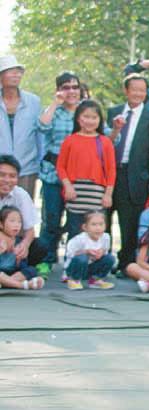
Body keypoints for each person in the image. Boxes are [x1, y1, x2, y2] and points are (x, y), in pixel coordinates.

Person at [107, 74, 149, 270]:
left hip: (134, 179)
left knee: (129, 224)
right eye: (134, 89)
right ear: (126, 90)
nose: (138, 94)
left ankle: (125, 263)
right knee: (101, 219)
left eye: (142, 90)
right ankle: (101, 262)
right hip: (108, 175)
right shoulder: (111, 113)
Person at [38, 72, 82, 266]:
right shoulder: (54, 111)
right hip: (53, 173)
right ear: (59, 90)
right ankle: (45, 260)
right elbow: (41, 126)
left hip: (79, 175)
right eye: (66, 87)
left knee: (76, 222)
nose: (71, 91)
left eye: (74, 87)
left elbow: (106, 137)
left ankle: (71, 264)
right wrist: (56, 103)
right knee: (51, 220)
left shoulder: (86, 111)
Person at [56, 100, 117, 239]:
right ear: (78, 119)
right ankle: (74, 260)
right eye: (86, 117)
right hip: (75, 192)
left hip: (96, 194)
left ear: (100, 120)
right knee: (75, 231)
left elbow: (111, 170)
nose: (90, 121)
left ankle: (98, 259)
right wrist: (67, 186)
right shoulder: (70, 140)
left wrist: (108, 194)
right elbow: (60, 166)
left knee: (96, 232)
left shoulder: (105, 141)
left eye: (94, 117)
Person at [0, 55, 41, 198]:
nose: (16, 75)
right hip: (0, 168)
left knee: (23, 211)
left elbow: (39, 134)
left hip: (26, 167)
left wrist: (39, 163)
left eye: (18, 71)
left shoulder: (33, 101)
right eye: (10, 71)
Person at [0, 155, 48, 269]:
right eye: (2, 175)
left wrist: (24, 245)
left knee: (40, 246)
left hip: (12, 242)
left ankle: (12, 270)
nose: (7, 180)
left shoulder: (20, 195)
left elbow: (30, 230)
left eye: (12, 176)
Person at [63, 210, 116, 290]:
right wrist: (86, 252)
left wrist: (101, 252)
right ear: (85, 227)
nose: (98, 228)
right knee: (83, 258)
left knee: (110, 258)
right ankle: (74, 280)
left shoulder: (106, 237)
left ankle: (96, 280)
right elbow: (70, 255)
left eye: (101, 224)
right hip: (74, 268)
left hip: (90, 268)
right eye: (93, 225)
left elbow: (105, 250)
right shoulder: (79, 239)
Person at [0, 206, 42, 289]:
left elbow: (22, 267)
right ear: (1, 224)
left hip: (12, 273)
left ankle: (7, 283)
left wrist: (18, 260)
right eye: (12, 221)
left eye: (19, 222)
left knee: (31, 270)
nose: (16, 225)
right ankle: (22, 285)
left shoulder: (19, 242)